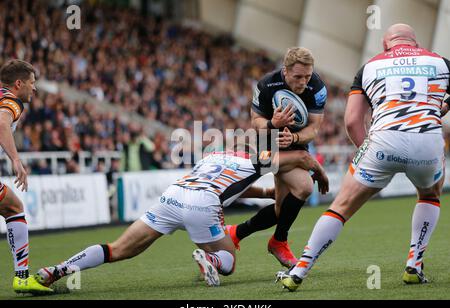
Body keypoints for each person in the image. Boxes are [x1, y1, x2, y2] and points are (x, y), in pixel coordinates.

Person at [277, 24, 450, 291]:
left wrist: (366, 151)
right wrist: (441, 108)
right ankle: (414, 265)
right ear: (416, 44)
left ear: (385, 45)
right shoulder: (440, 62)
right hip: (426, 141)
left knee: (340, 208)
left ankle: (300, 269)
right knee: (429, 195)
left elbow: (353, 121)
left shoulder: (369, 66)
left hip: (382, 141)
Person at [35, 143, 328, 289]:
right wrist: (320, 174)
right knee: (228, 263)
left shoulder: (211, 158)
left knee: (118, 249)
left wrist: (265, 194)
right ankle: (210, 259)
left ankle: (56, 271)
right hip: (203, 204)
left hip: (172, 196)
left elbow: (231, 186)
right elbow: (301, 158)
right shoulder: (254, 159)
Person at [227, 47, 327, 268]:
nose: (303, 82)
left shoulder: (317, 87)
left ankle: (236, 233)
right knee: (304, 187)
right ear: (286, 71)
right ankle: (279, 241)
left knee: (282, 209)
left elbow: (314, 129)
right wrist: (274, 124)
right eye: (298, 76)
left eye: (307, 76)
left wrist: (294, 137)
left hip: (296, 141)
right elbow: (256, 122)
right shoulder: (267, 84)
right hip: (267, 143)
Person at [0, 60, 52, 294]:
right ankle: (21, 278)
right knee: (14, 208)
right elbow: (1, 123)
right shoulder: (12, 101)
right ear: (18, 84)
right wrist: (16, 160)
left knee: (12, 206)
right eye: (32, 83)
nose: (35, 88)